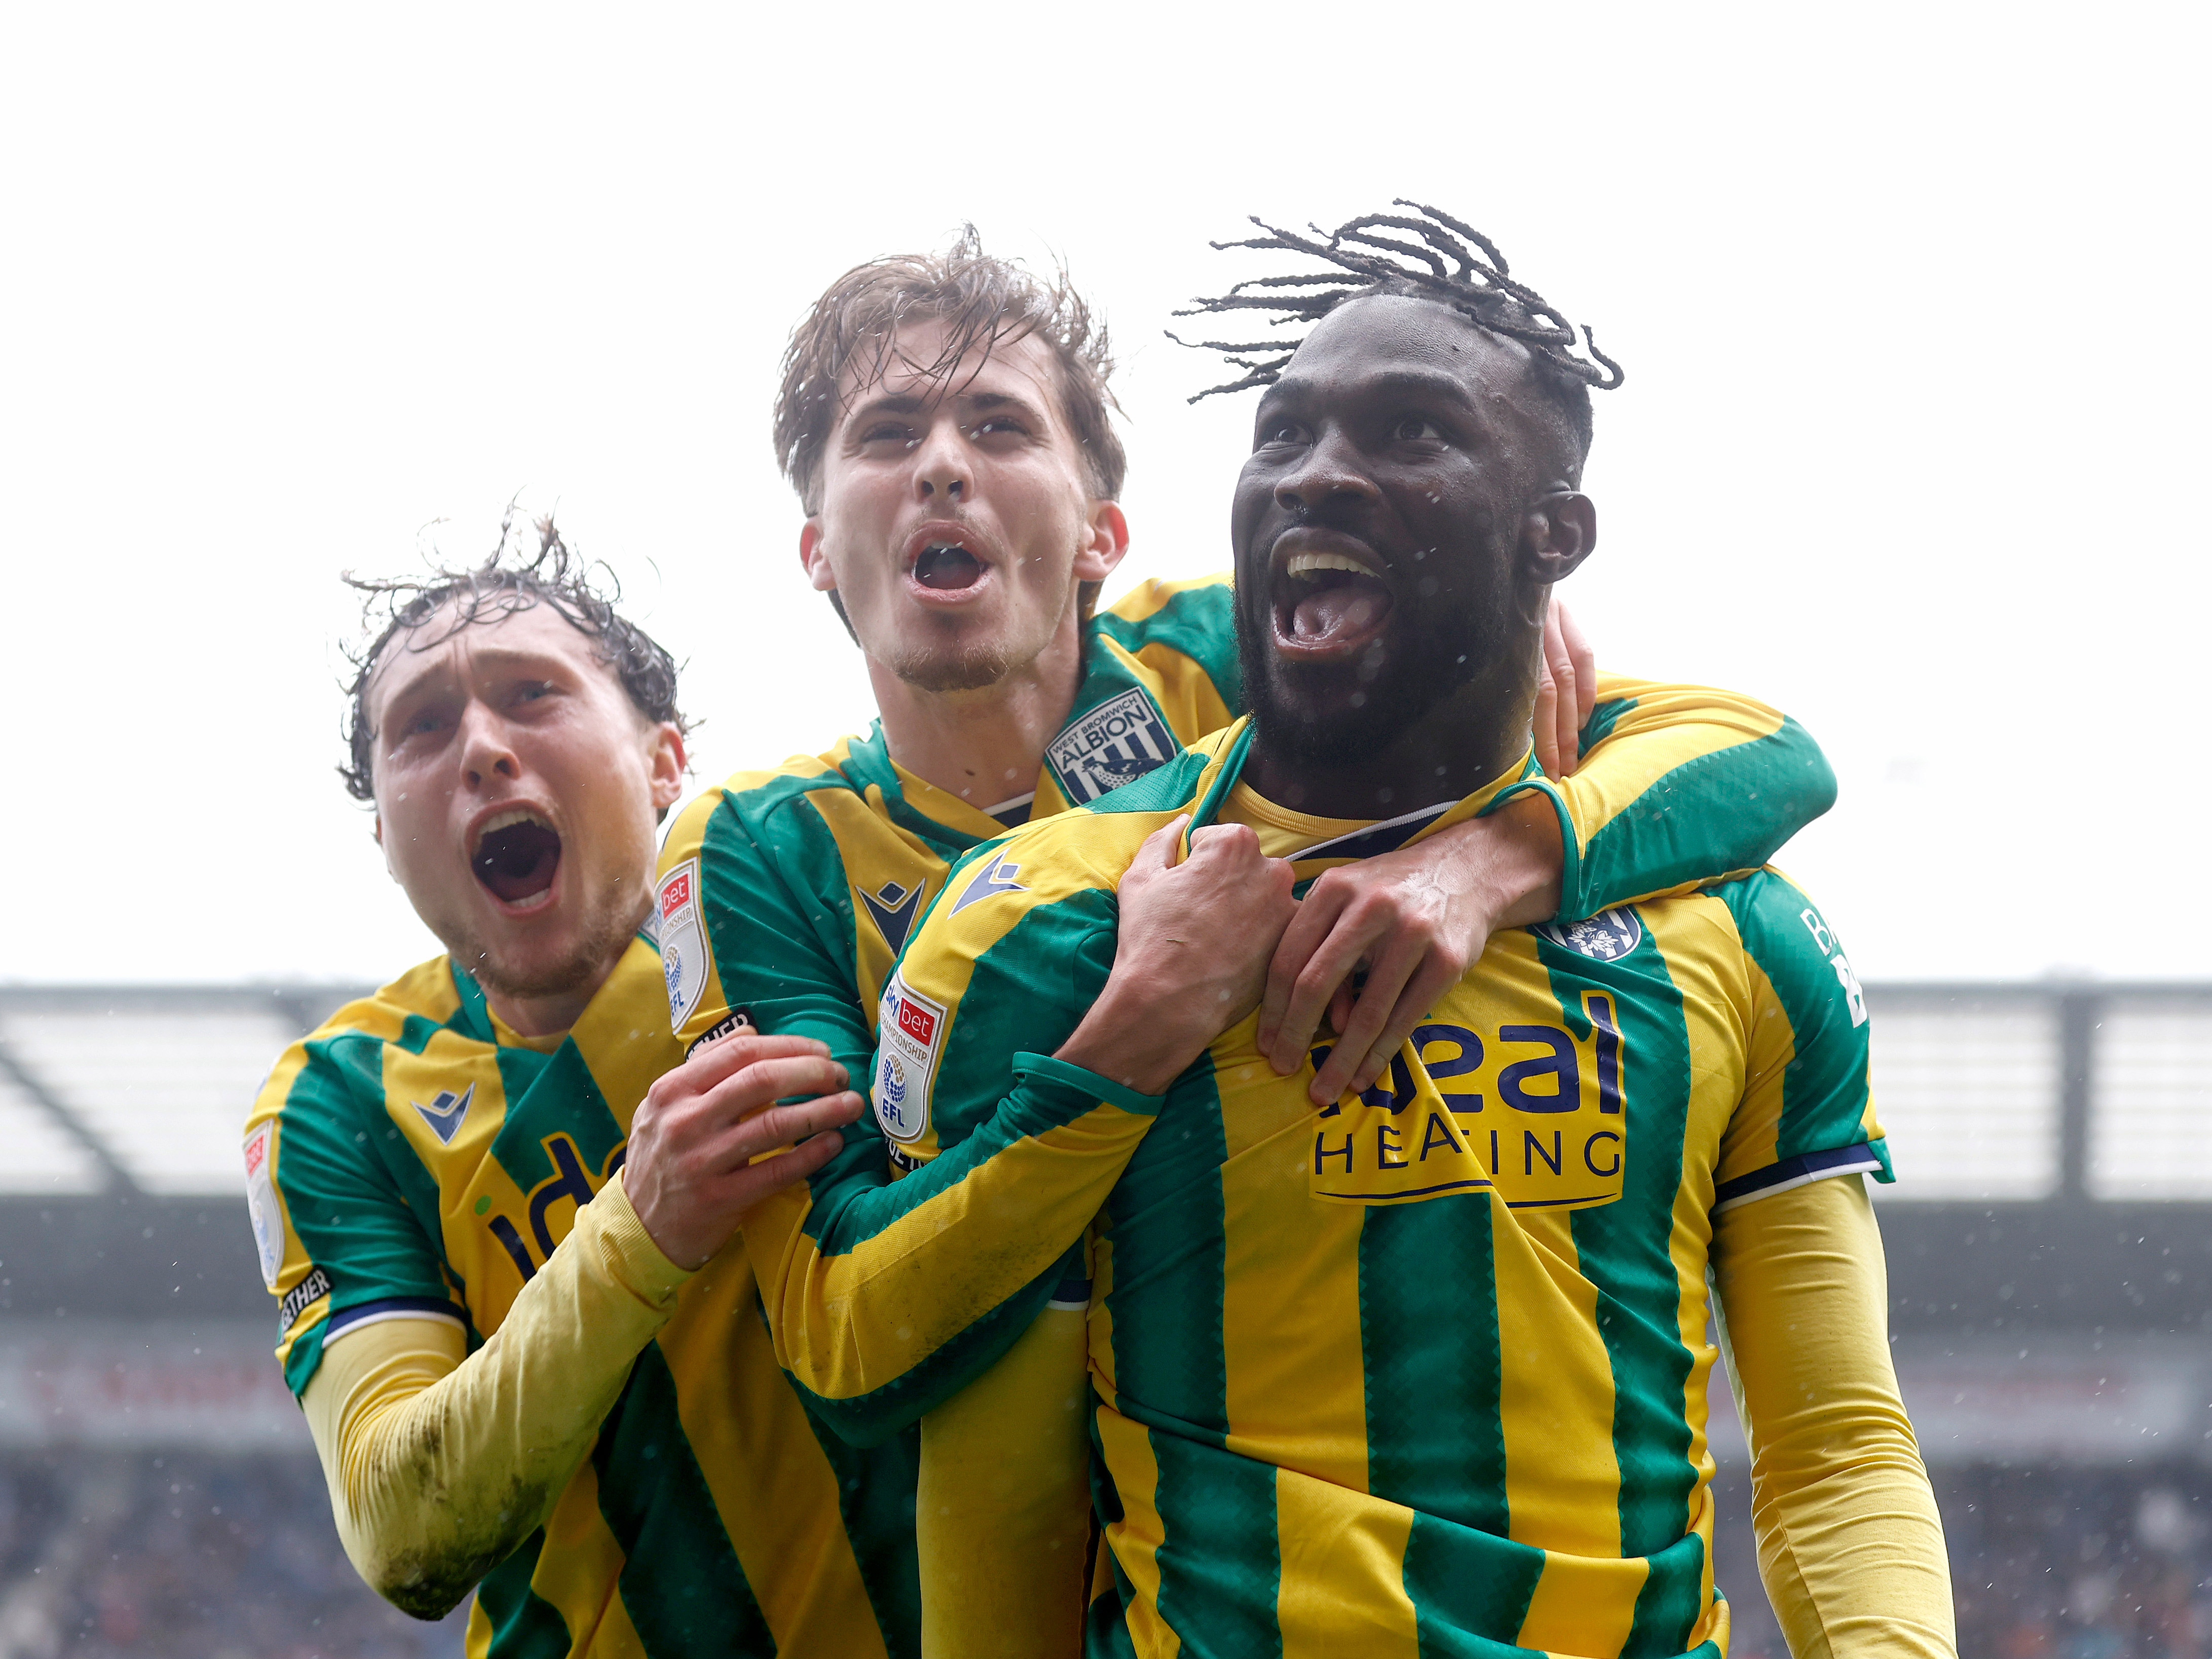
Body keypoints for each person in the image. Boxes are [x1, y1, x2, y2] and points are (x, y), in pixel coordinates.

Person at [666, 233, 1844, 1647]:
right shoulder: (756, 844)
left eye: (994, 423)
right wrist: (1129, 1031)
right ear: (812, 550)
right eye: (886, 434)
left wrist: (1485, 861)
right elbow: (839, 1321)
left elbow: (1757, 747)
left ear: (1105, 532)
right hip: (921, 1481)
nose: (940, 466)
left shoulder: (1252, 649)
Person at [243, 521, 926, 1655]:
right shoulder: (339, 1104)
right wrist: (640, 1227)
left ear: (665, 757)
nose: (481, 748)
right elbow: (400, 1529)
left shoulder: (812, 899)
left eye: (532, 694)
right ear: (382, 831)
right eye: (422, 726)